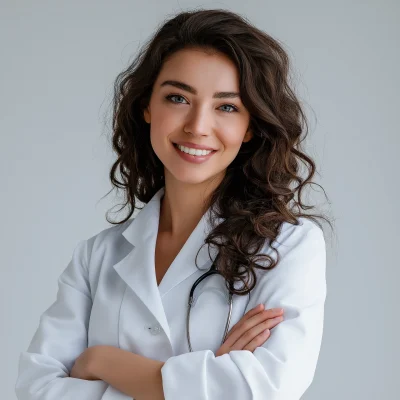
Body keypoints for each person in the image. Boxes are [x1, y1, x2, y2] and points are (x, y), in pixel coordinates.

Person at [15, 8, 333, 400]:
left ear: (250, 126)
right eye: (178, 98)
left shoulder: (288, 245)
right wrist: (201, 379)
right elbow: (36, 388)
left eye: (227, 106)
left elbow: (266, 387)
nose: (198, 125)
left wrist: (100, 362)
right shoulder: (96, 258)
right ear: (148, 106)